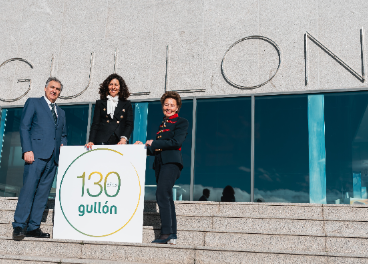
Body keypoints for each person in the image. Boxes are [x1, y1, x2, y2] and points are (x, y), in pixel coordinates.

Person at [12, 77, 67, 240]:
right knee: (28, 190)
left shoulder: (61, 112)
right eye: (52, 87)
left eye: (57, 89)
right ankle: (19, 225)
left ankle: (33, 227)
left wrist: (63, 146)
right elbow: (24, 127)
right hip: (35, 155)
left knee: (43, 194)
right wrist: (27, 150)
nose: (54, 91)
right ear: (45, 88)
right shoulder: (34, 103)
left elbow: (63, 135)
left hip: (53, 159)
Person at [135, 91, 189, 245]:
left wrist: (154, 143)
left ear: (177, 108)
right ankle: (172, 234)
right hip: (160, 164)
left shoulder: (181, 122)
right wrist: (143, 147)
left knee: (161, 194)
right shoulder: (162, 124)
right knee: (166, 196)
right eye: (166, 105)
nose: (169, 107)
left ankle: (165, 233)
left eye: (172, 105)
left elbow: (176, 142)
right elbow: (157, 148)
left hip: (171, 163)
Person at [85, 73, 133, 148]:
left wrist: (124, 139)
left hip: (119, 141)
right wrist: (91, 141)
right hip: (101, 140)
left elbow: (129, 124)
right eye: (111, 84)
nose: (113, 87)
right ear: (107, 86)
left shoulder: (127, 104)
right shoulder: (100, 103)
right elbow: (95, 124)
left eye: (116, 85)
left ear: (120, 87)